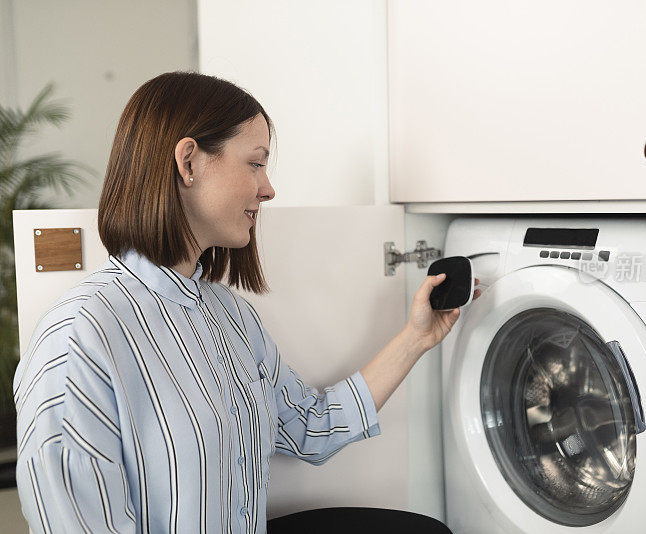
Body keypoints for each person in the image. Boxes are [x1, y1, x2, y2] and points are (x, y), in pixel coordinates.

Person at [12, 71, 481, 533]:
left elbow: (312, 428)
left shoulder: (231, 315)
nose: (268, 188)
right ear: (189, 162)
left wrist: (416, 338)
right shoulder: (79, 336)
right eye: (255, 163)